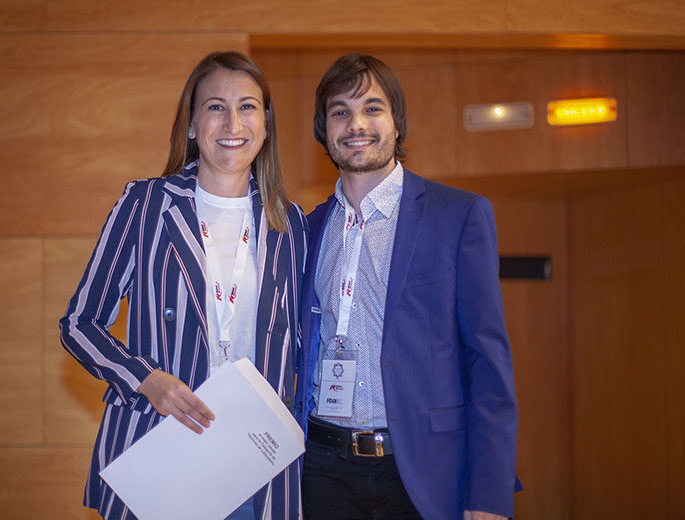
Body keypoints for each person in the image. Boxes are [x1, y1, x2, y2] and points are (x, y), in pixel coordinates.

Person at [60, 51, 307, 520]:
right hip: (161, 450)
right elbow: (79, 324)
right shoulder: (145, 205)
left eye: (247, 107)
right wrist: (146, 380)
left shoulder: (289, 223)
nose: (233, 122)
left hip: (256, 468)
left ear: (266, 124)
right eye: (215, 106)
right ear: (192, 125)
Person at [294, 53, 520, 520]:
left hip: (422, 471)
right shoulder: (307, 230)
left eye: (372, 108)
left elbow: (487, 362)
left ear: (397, 123)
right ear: (324, 129)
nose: (357, 124)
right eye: (340, 111)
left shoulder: (457, 216)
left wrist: (488, 494)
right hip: (321, 469)